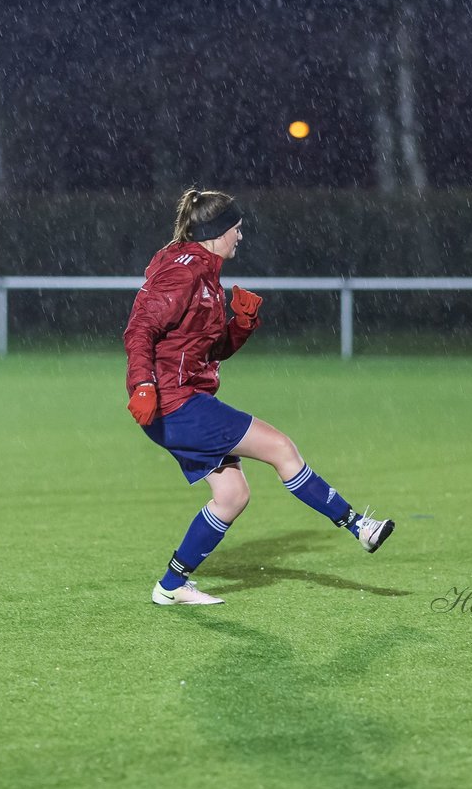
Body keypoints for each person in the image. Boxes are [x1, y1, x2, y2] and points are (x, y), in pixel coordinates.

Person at [123, 187, 396, 606]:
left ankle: (171, 587)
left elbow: (209, 353)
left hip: (181, 403)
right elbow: (140, 327)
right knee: (280, 448)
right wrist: (141, 383)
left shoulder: (205, 276)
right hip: (176, 404)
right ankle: (358, 526)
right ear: (217, 231)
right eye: (236, 229)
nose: (240, 237)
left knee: (232, 496)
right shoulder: (185, 272)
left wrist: (242, 325)